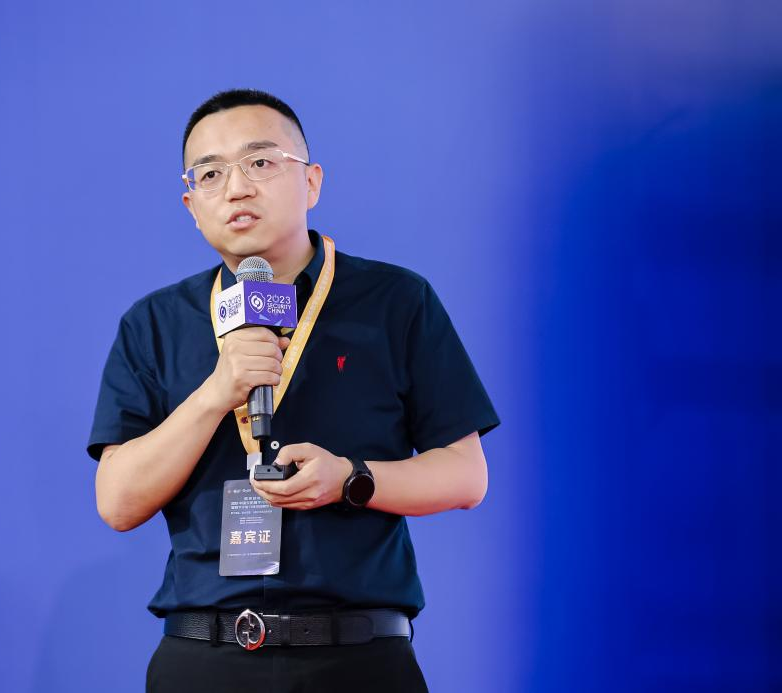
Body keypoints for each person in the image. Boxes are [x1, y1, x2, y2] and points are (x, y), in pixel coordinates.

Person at [87, 89, 499, 693]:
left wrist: (351, 479)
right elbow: (117, 502)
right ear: (192, 206)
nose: (236, 188)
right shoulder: (154, 323)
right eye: (210, 174)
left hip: (356, 659)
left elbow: (466, 476)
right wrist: (216, 393)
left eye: (260, 162)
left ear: (311, 182)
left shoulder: (396, 302)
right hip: (203, 657)